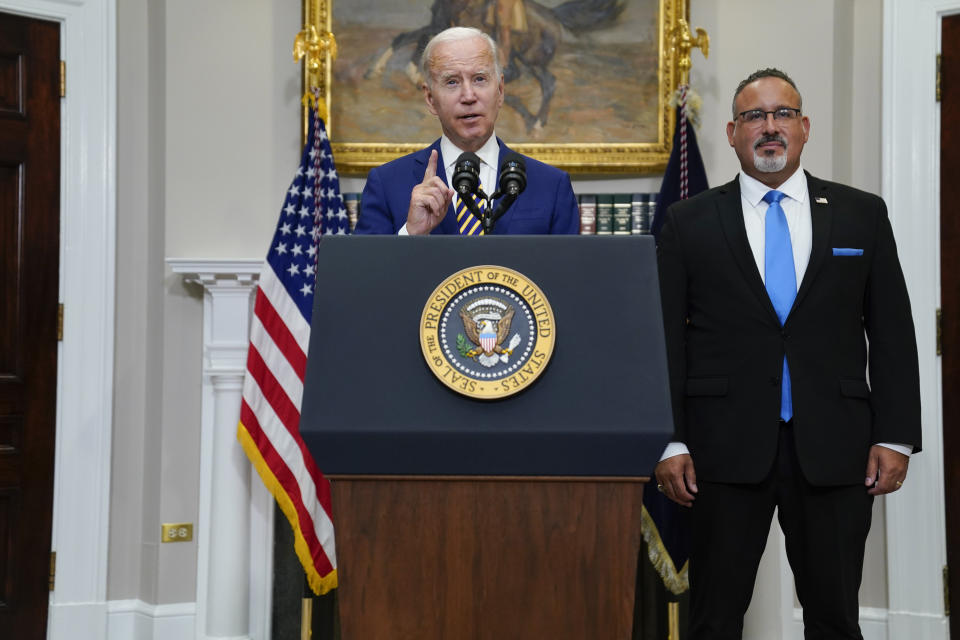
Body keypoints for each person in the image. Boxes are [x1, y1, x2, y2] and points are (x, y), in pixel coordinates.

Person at [654, 68, 921, 639]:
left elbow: (892, 330)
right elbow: (665, 340)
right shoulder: (688, 221)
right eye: (754, 116)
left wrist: (895, 436)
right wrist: (671, 439)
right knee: (714, 620)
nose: (768, 127)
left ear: (804, 128)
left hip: (836, 448)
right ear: (731, 132)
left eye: (782, 115)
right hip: (719, 452)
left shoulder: (860, 213)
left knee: (834, 619)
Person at [354, 26, 579, 236]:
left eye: (480, 79)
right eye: (452, 82)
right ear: (430, 99)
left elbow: (569, 275)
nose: (469, 96)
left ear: (500, 91)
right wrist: (410, 233)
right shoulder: (386, 184)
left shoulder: (552, 185)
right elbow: (365, 276)